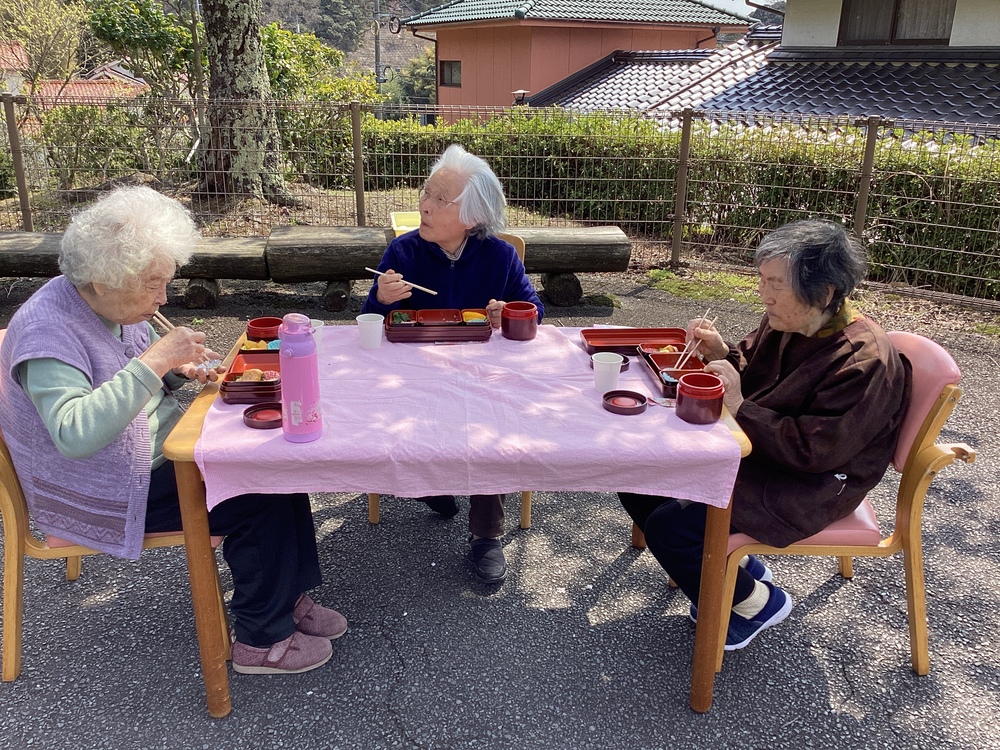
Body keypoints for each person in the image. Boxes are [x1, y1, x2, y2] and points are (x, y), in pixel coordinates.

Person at [0, 186, 345, 675]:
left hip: (148, 452)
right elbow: (75, 434)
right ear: (102, 279)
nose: (164, 297)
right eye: (152, 284)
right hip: (106, 483)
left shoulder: (107, 304)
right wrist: (157, 358)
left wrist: (170, 370)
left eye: (166, 281)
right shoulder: (47, 332)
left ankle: (287, 598)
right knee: (255, 492)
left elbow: (120, 375)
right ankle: (260, 640)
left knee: (277, 466)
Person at [619, 219, 911, 651]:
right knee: (638, 481)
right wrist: (722, 352)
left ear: (825, 293)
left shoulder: (864, 361)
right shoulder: (790, 320)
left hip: (813, 482)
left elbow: (814, 452)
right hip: (761, 452)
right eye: (762, 280)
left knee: (673, 527)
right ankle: (732, 570)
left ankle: (759, 603)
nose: (763, 293)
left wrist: (738, 406)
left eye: (775, 284)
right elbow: (751, 364)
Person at [360, 143, 544, 584]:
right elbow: (371, 325)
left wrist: (510, 313)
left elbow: (535, 311)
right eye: (426, 193)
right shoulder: (404, 253)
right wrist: (379, 298)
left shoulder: (499, 256)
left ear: (473, 216)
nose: (423, 205)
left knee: (494, 423)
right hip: (416, 375)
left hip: (482, 376)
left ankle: (486, 535)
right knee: (407, 411)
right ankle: (434, 486)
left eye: (440, 199)